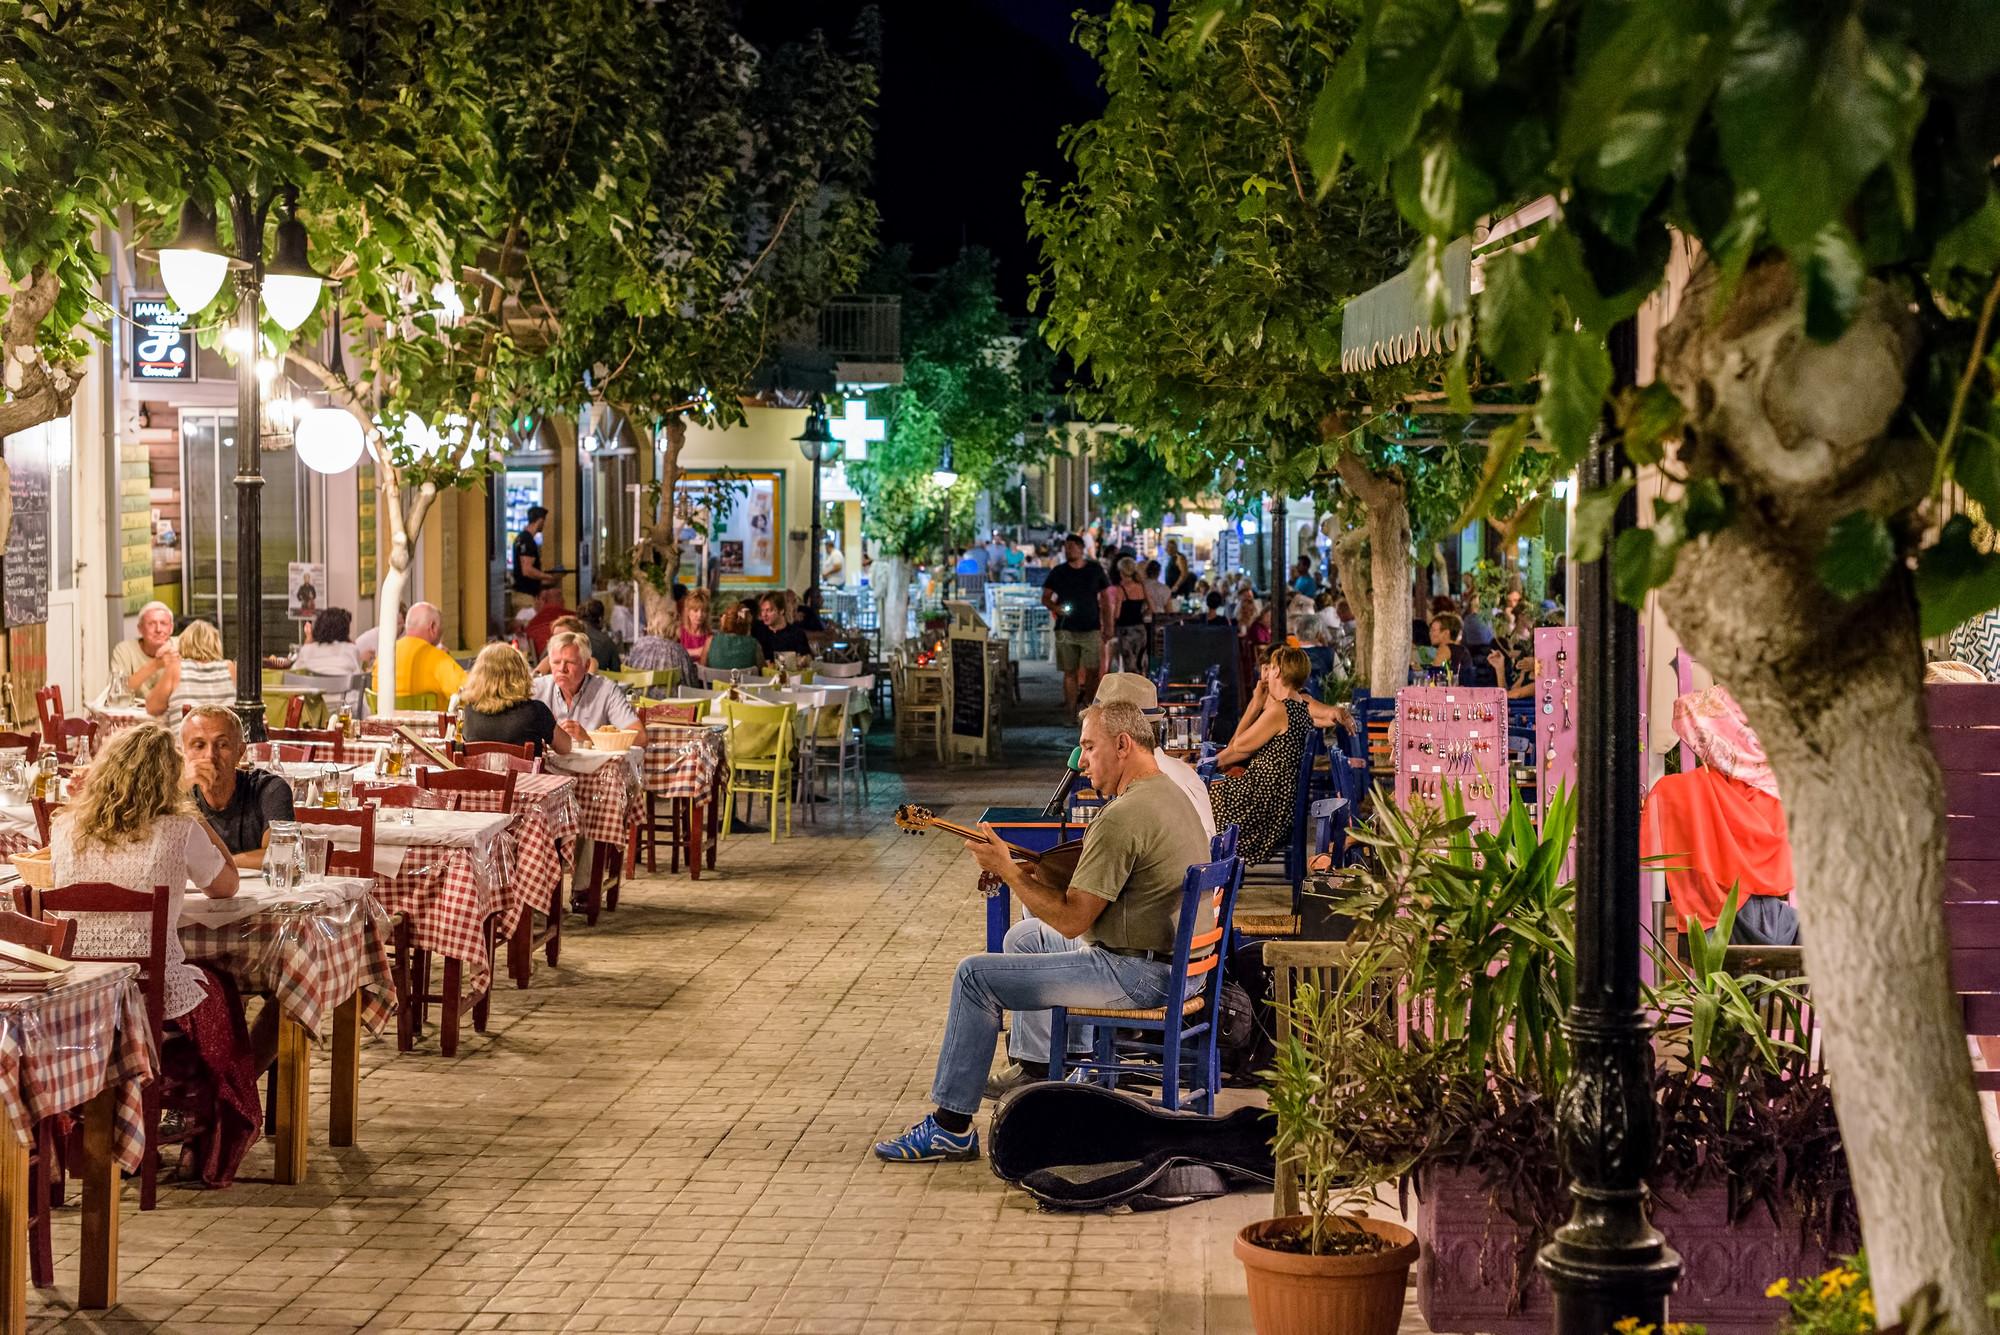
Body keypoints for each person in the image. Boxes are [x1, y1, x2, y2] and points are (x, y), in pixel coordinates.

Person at [872, 701, 1210, 1162]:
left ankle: (949, 1128)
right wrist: (1030, 876)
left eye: (1089, 747)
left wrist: (1009, 874)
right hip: (1181, 964)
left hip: (1138, 973)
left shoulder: (1123, 816)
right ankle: (1039, 1068)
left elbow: (1074, 920)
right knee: (1025, 937)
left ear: (1123, 745)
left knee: (975, 976)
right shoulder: (1170, 793)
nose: (1082, 760)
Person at [51, 723, 262, 1188]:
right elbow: (226, 885)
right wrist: (197, 814)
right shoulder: (177, 830)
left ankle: (119, 1132)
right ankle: (197, 1141)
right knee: (221, 989)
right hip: (150, 997)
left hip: (82, 997)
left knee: (205, 986)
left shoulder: (66, 827)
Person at [1210, 646, 1349, 865]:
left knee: (1204, 791)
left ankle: (1213, 868)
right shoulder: (1299, 707)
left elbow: (1238, 746)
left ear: (1277, 672)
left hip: (1264, 807)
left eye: (1271, 667)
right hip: (1280, 803)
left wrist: (1255, 704)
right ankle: (1213, 868)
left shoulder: (1280, 710)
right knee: (1210, 786)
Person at [1092, 674, 1217, 842]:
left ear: (1122, 743)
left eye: (1092, 744)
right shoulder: (1178, 769)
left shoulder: (1146, 792)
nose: (1083, 760)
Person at [181, 706, 296, 868]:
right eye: (199, 745)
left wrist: (219, 866)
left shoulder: (269, 789)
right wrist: (177, 793)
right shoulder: (175, 796)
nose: (210, 756)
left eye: (222, 745)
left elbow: (282, 856)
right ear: (183, 753)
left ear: (240, 752)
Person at [1043, 533, 1111, 720]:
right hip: (1066, 628)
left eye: (1072, 546)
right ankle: (1071, 712)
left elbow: (1105, 599)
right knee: (1069, 672)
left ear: (1081, 549)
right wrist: (1056, 608)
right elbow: (1046, 597)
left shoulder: (1095, 570)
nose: (1068, 550)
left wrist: (1108, 624)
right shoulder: (1058, 572)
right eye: (1066, 547)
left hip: (1091, 626)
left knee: (1093, 672)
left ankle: (1090, 713)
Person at [460, 643, 571, 755]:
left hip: (480, 772)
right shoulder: (535, 711)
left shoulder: (470, 710)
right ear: (521, 674)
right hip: (523, 772)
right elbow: (565, 747)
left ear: (478, 675)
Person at [533, 631, 639, 742]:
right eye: (556, 662)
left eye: (570, 662)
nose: (562, 669)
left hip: (595, 759)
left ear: (587, 665)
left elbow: (639, 737)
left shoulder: (605, 690)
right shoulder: (537, 688)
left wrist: (590, 738)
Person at [376, 601, 470, 706]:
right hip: (431, 722)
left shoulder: (383, 657)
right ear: (433, 627)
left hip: (388, 722)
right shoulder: (438, 659)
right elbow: (470, 693)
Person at [148, 619, 235, 719]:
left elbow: (152, 708)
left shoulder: (177, 668)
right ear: (216, 643)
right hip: (224, 733)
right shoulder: (229, 667)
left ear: (184, 642)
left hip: (187, 734)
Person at [112, 601, 178, 700]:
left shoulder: (181, 645)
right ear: (140, 629)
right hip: (135, 713)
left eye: (163, 623)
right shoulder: (124, 650)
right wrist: (155, 665)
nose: (158, 629)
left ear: (171, 628)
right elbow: (118, 691)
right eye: (151, 624)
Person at [1428, 611, 1497, 688]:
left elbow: (1432, 678)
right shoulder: (1462, 650)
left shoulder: (1444, 649)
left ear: (1446, 633)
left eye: (1433, 630)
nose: (1430, 633)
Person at [511, 505, 560, 611]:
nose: (544, 524)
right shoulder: (528, 541)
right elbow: (527, 570)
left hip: (521, 593)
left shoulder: (520, 538)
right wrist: (549, 577)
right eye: (544, 521)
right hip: (526, 597)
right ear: (540, 520)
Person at [627, 606, 697, 677]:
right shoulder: (679, 652)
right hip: (669, 688)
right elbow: (691, 683)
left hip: (635, 687)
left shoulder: (639, 644)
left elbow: (626, 670)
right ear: (674, 628)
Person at [1111, 557, 1150, 674]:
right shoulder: (1141, 586)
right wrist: (1141, 614)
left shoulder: (1120, 589)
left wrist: (1111, 625)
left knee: (1129, 664)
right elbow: (1151, 607)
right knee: (1141, 663)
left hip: (1125, 630)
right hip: (1140, 628)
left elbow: (1117, 614)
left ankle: (1133, 690)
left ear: (1121, 572)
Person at [753, 592, 813, 660]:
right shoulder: (757, 631)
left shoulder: (797, 634)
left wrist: (804, 660)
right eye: (762, 610)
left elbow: (806, 657)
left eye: (769, 610)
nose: (764, 614)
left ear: (781, 610)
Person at [707, 603, 764, 671]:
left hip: (714, 681)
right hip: (745, 681)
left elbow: (702, 670)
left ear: (725, 621)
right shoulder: (754, 644)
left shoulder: (710, 641)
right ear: (747, 625)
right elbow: (763, 671)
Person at [579, 599, 622, 673]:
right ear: (600, 619)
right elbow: (616, 671)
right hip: (597, 682)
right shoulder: (606, 642)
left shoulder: (570, 636)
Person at [679, 589, 715, 663]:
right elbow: (673, 654)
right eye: (695, 610)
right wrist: (696, 652)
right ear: (688, 611)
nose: (700, 615)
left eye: (703, 611)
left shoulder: (710, 636)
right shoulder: (679, 631)